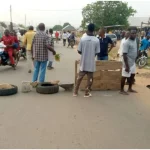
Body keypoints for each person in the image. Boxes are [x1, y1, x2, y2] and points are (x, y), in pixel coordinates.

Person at [73, 23, 100, 97]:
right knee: (90, 79)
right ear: (94, 30)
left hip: (83, 62)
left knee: (79, 78)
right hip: (91, 63)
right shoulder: (96, 40)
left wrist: (85, 53)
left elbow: (79, 51)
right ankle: (86, 93)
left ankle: (75, 92)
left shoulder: (83, 39)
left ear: (87, 29)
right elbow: (97, 52)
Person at [120, 29, 138, 95]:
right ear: (130, 34)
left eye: (135, 33)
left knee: (132, 75)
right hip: (127, 62)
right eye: (132, 33)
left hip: (133, 62)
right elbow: (124, 54)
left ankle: (130, 88)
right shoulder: (127, 42)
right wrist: (127, 66)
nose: (134, 34)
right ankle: (121, 90)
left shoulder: (135, 40)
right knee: (124, 76)